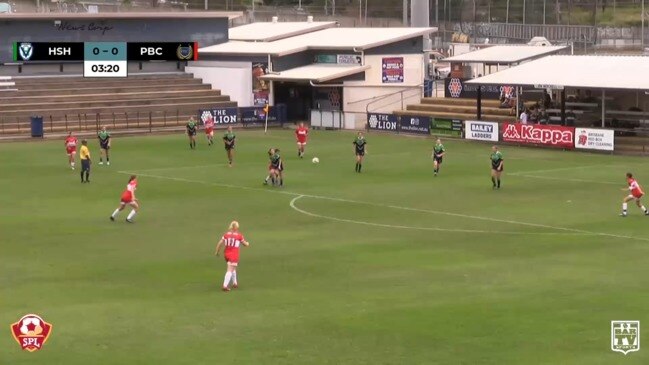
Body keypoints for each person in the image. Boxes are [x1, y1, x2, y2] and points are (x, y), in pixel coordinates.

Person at [215, 220, 250, 292]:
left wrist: (217, 251)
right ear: (236, 227)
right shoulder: (239, 236)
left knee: (233, 267)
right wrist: (248, 243)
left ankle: (235, 283)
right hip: (234, 254)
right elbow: (245, 244)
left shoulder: (226, 235)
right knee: (230, 269)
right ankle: (225, 286)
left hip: (226, 253)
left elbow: (220, 243)